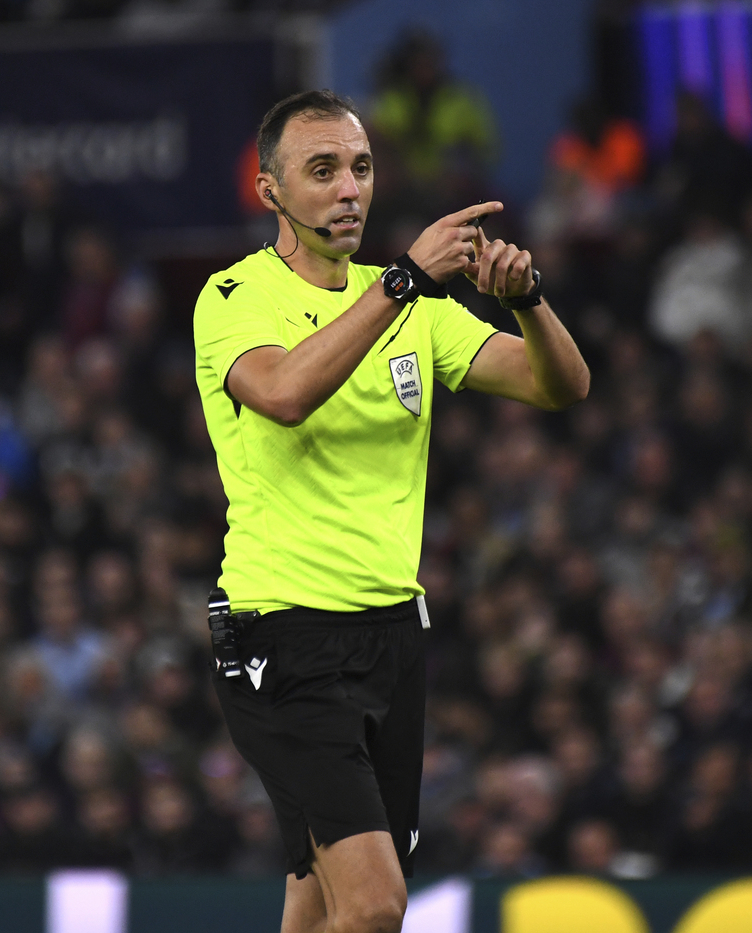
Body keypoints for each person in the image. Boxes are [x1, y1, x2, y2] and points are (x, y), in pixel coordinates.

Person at [193, 90, 588, 933]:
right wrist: (407, 280)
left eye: (361, 169)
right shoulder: (235, 298)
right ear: (271, 192)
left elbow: (560, 385)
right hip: (283, 632)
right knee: (375, 906)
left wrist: (527, 299)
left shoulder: (412, 309)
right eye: (323, 170)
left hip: (392, 639)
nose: (348, 190)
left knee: (319, 901)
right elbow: (286, 393)